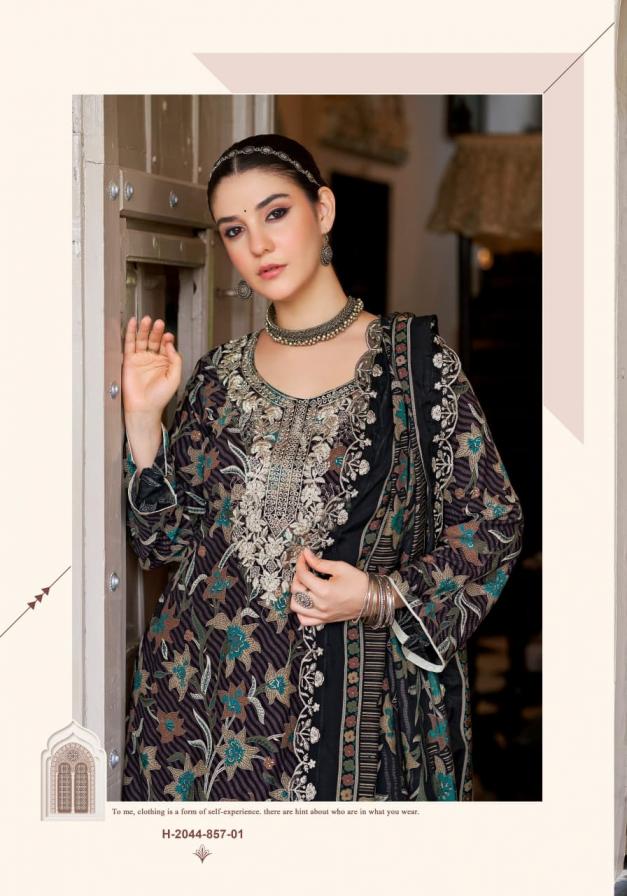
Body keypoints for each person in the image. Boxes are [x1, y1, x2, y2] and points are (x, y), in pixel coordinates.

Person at [120, 133, 524, 802]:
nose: (258, 245)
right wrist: (143, 421)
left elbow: (491, 525)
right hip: (199, 716)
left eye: (275, 213)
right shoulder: (217, 378)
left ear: (324, 210)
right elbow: (164, 543)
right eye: (233, 229)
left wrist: (376, 596)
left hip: (352, 721)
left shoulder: (415, 368)